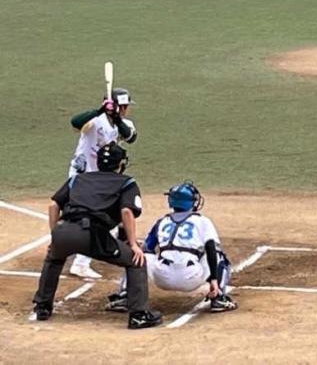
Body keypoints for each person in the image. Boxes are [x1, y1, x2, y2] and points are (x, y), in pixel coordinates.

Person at [32, 143, 162, 330]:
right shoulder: (126, 182)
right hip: (92, 235)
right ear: (120, 164)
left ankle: (42, 307)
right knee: (135, 261)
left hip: (63, 230)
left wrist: (55, 236)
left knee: (54, 258)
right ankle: (139, 315)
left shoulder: (77, 179)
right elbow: (127, 211)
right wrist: (133, 244)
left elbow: (54, 205)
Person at [106, 181, 237, 315]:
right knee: (218, 254)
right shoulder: (203, 221)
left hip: (162, 277)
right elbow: (210, 248)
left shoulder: (162, 221)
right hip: (191, 278)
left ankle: (124, 295)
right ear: (191, 202)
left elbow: (147, 248)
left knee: (140, 255)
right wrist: (213, 279)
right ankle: (218, 297)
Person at [66, 88, 138, 279]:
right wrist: (100, 110)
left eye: (125, 107)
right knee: (98, 220)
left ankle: (80, 247)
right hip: (83, 176)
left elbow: (130, 137)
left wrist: (116, 117)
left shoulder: (124, 123)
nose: (125, 110)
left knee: (98, 218)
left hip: (100, 181)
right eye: (123, 107)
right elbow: (75, 122)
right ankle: (80, 263)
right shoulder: (94, 121)